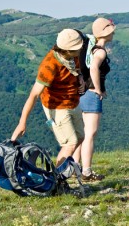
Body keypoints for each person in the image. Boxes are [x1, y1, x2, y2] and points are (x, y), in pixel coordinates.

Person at [11, 29, 85, 167]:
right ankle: (57, 178)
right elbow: (33, 95)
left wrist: (80, 77)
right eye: (78, 47)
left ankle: (64, 170)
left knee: (80, 137)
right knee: (70, 143)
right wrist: (22, 122)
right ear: (67, 50)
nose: (81, 48)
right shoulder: (49, 65)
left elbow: (76, 69)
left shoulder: (72, 56)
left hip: (73, 102)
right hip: (57, 107)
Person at [73, 17, 116, 181]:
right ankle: (87, 172)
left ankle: (74, 167)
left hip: (81, 94)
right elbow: (94, 69)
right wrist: (98, 89)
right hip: (91, 95)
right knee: (90, 134)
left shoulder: (89, 48)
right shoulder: (100, 51)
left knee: (81, 135)